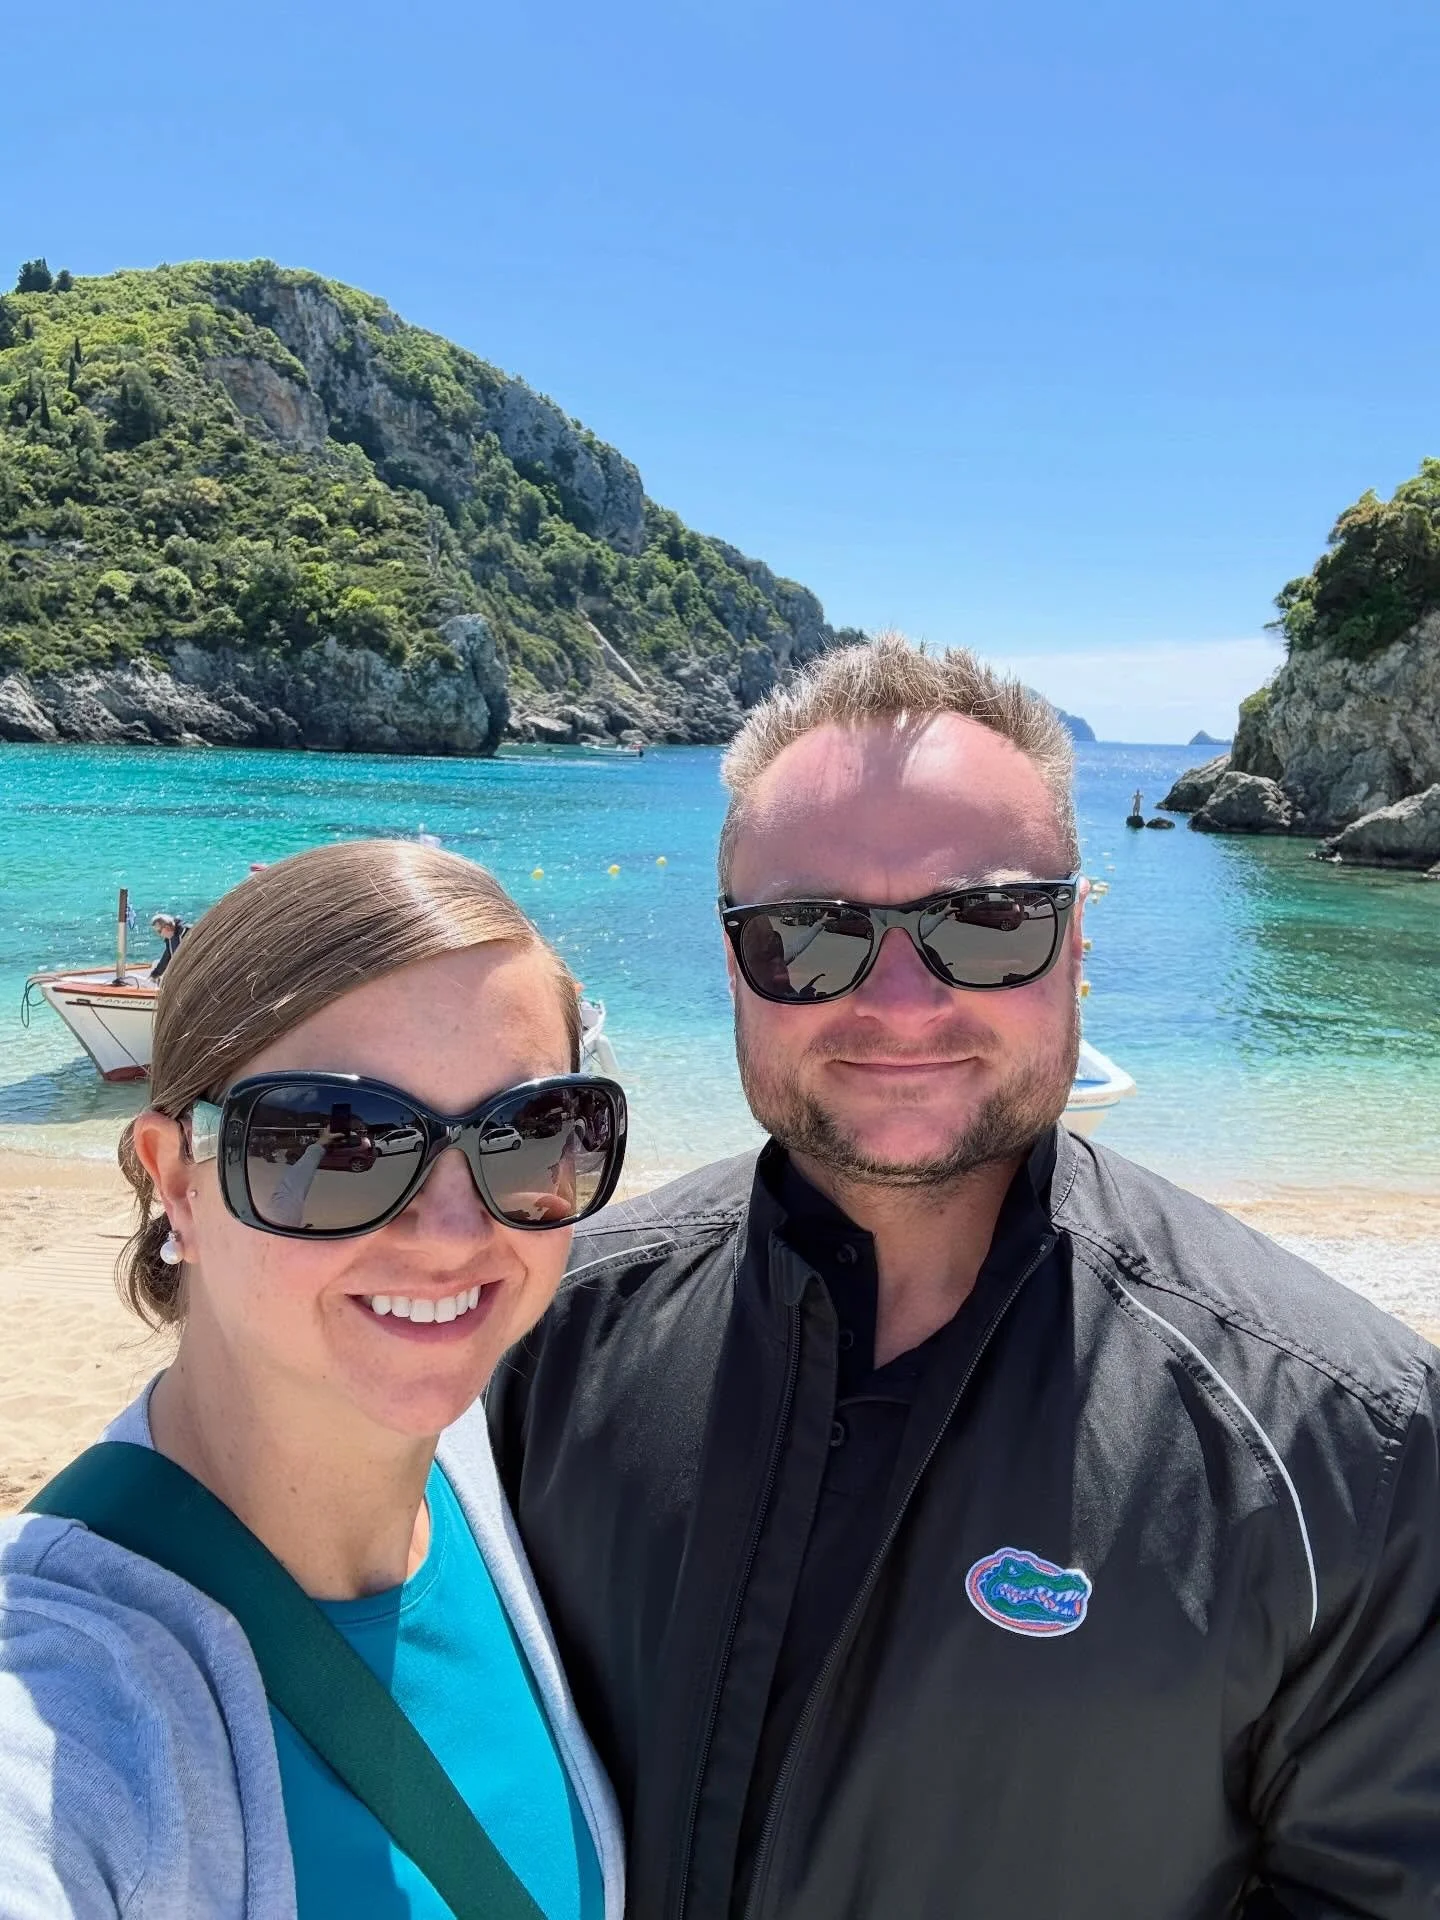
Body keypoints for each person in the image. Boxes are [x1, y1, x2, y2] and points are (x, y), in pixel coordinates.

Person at [489, 634, 1440, 1920]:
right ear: (732, 967)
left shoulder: (1348, 1447)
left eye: (985, 923)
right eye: (808, 935)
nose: (896, 998)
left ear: (1078, 946)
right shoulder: (536, 1345)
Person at [1, 841, 628, 1919]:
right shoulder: (67, 1704)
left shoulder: (501, 1475)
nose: (449, 1236)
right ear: (176, 1181)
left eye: (529, 1134)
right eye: (337, 1142)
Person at [149, 910, 187, 980]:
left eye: (159, 931)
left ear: (167, 927)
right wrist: (155, 974)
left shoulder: (186, 933)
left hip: (187, 971)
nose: (159, 934)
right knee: (155, 963)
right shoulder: (170, 938)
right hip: (178, 969)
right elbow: (167, 956)